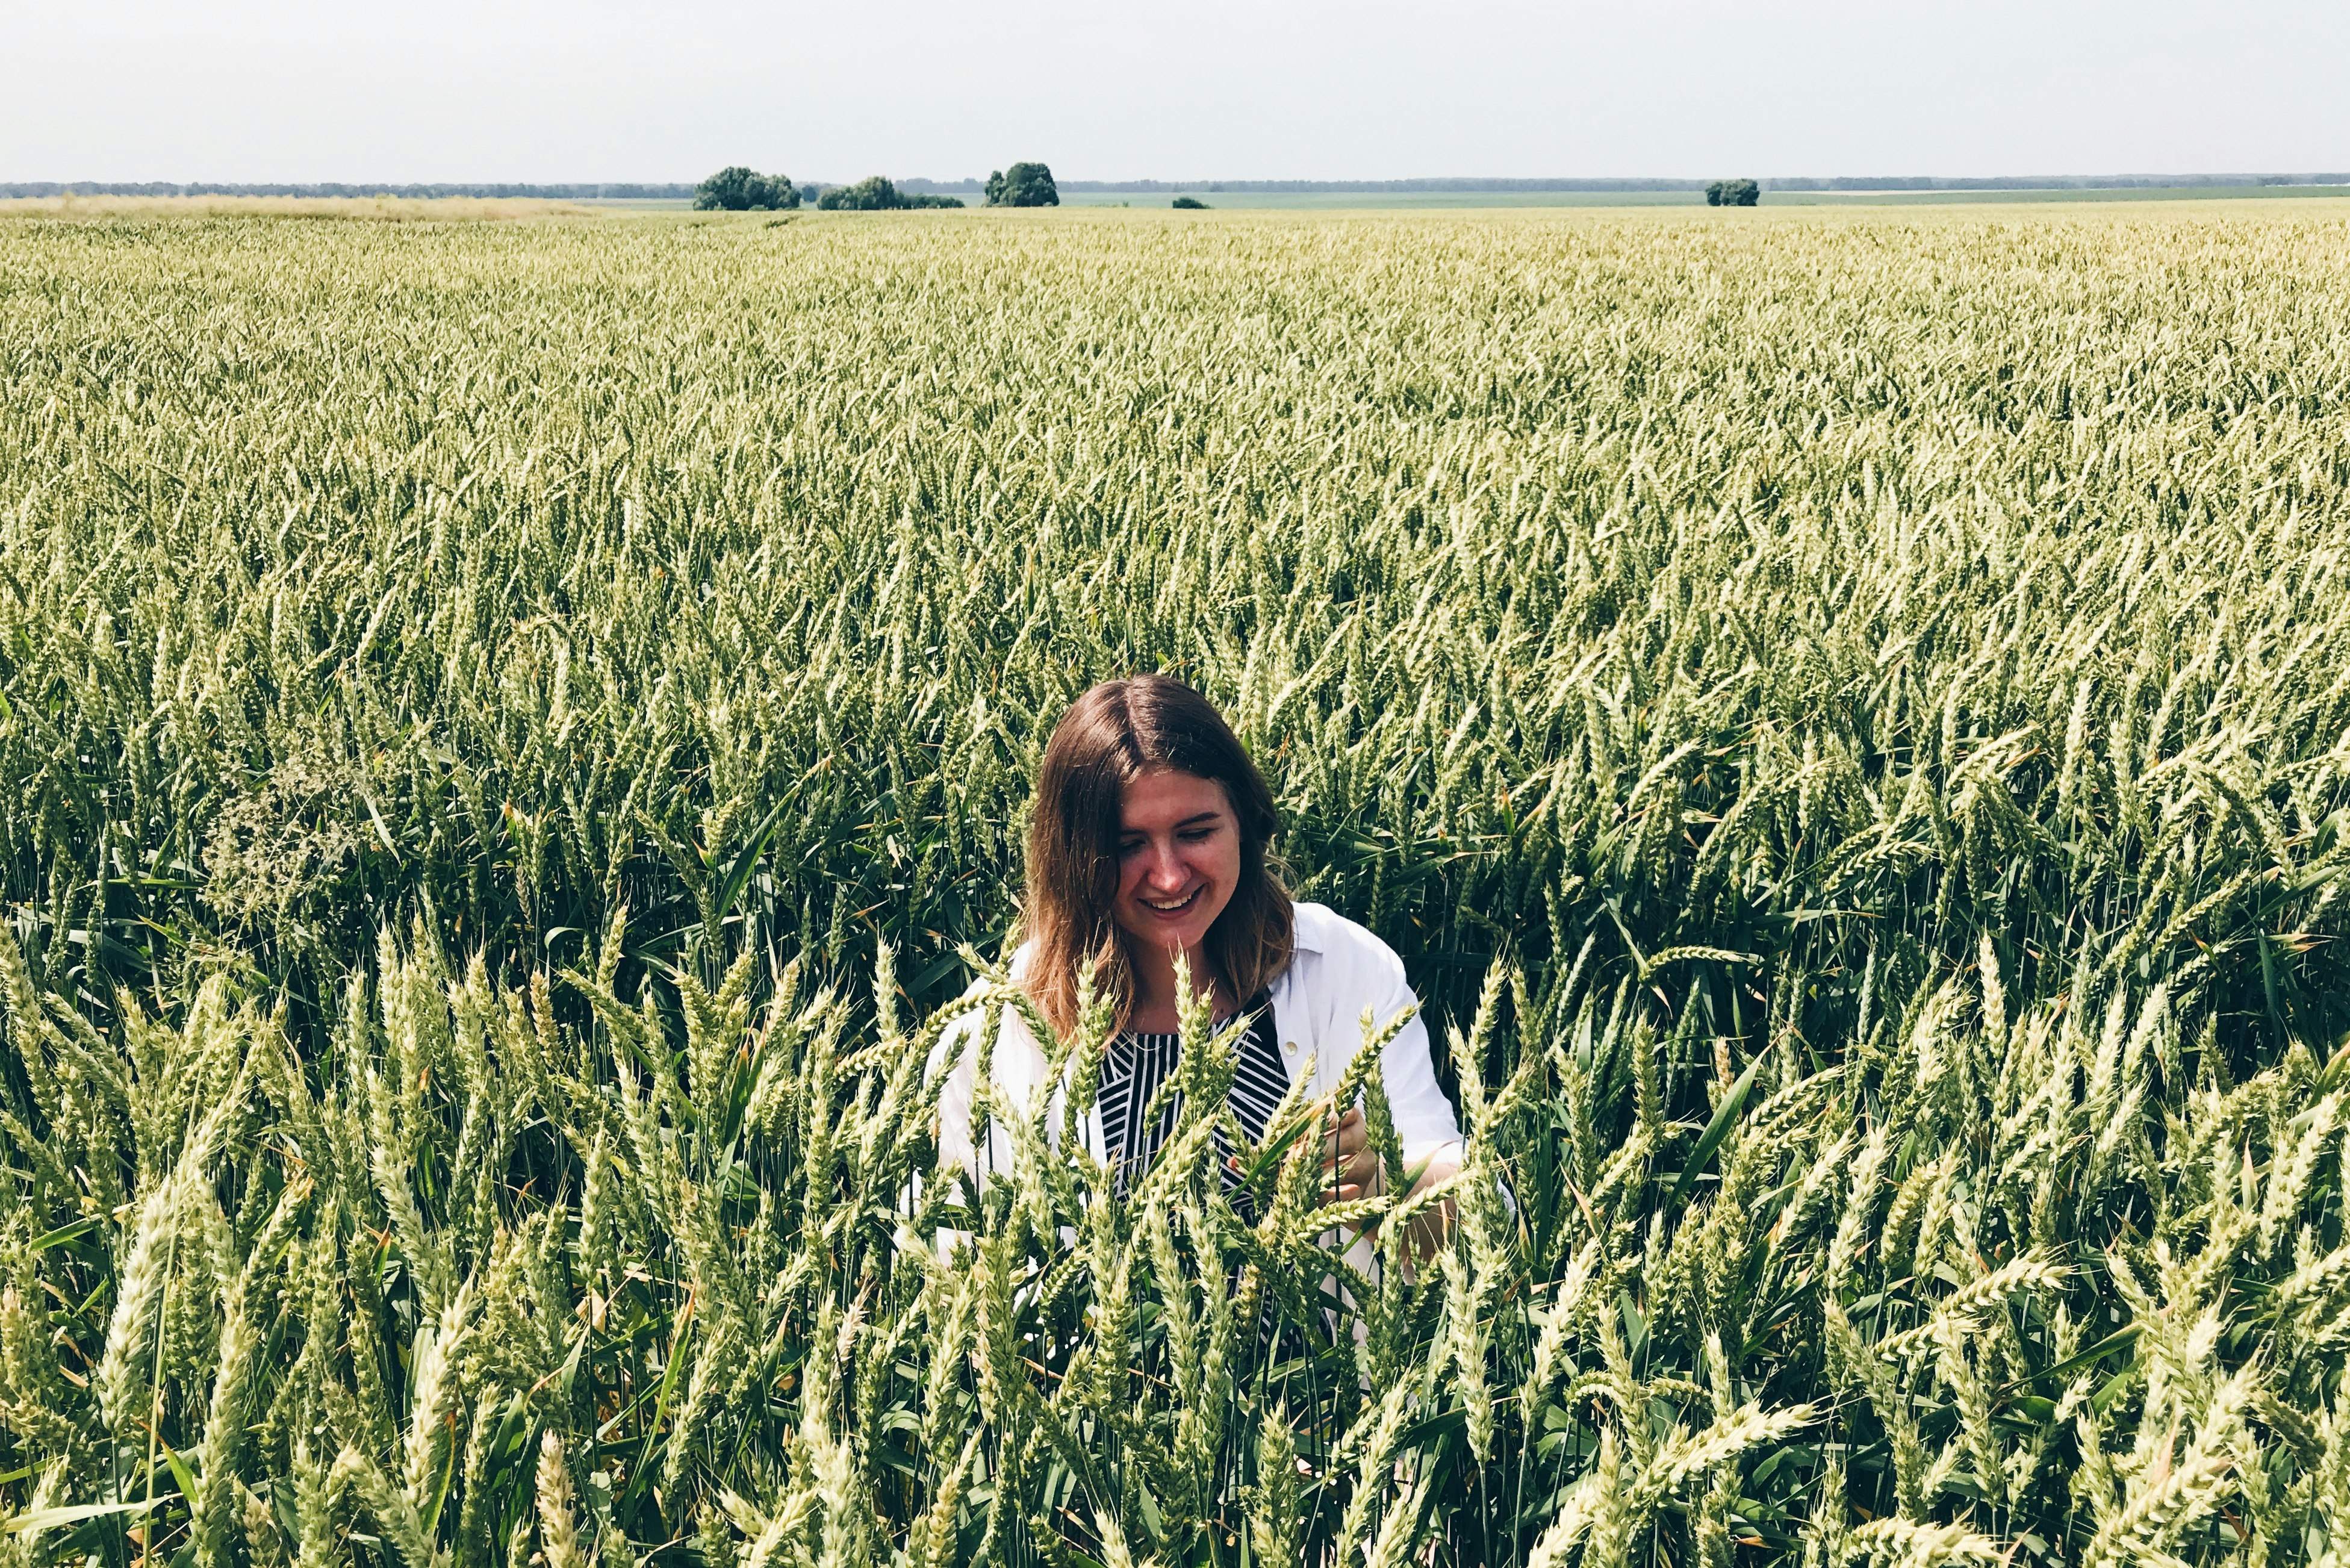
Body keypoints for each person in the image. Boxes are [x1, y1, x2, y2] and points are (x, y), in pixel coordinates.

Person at [933, 675, 1463, 1252]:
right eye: (1128, 844)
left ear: (1245, 822)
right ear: (1075, 859)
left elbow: (1476, 1217)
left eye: (1195, 832)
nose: (1167, 876)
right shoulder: (996, 1032)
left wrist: (1381, 1185)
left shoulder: (1347, 969)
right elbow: (950, 1262)